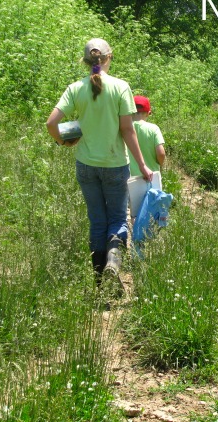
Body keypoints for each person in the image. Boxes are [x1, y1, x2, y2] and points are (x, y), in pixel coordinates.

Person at [45, 38, 153, 290]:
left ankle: (97, 280)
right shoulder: (121, 87)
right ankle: (113, 266)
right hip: (115, 165)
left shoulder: (75, 88)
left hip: (86, 165)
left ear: (86, 62)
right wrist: (143, 164)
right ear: (108, 58)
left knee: (97, 220)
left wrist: (63, 142)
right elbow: (128, 130)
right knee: (117, 219)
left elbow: (51, 123)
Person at [128, 95, 166, 176]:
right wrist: (160, 163)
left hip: (129, 178)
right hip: (151, 176)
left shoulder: (125, 128)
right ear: (148, 113)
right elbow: (161, 153)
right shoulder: (154, 129)